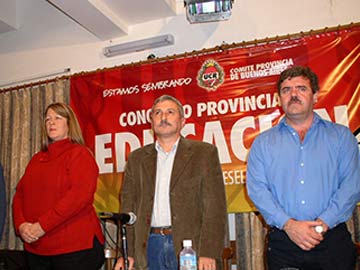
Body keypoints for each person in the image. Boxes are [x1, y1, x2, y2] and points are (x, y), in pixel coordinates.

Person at [246, 65, 360, 270]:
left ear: (315, 96)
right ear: (279, 99)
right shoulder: (263, 143)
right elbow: (257, 190)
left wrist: (323, 223)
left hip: (332, 242)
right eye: (286, 90)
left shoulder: (341, 137)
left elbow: (352, 185)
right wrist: (290, 225)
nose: (293, 95)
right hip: (284, 243)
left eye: (301, 88)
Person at [114, 95, 227, 270]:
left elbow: (215, 209)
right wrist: (125, 252)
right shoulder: (136, 158)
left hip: (190, 248)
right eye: (157, 113)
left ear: (182, 121)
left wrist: (208, 252)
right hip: (149, 246)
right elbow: (128, 210)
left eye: (170, 112)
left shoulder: (204, 153)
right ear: (151, 121)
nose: (163, 117)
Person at [12, 102, 105, 270]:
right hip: (37, 248)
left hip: (74, 249)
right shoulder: (36, 159)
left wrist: (41, 226)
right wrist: (21, 226)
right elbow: (19, 195)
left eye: (57, 118)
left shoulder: (80, 154)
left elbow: (78, 197)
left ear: (69, 124)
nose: (51, 122)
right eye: (47, 119)